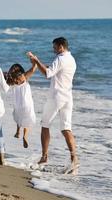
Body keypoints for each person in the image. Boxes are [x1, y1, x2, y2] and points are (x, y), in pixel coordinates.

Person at [28, 37, 79, 174]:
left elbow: (48, 74)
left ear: (61, 46)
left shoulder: (60, 59)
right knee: (66, 129)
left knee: (45, 125)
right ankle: (74, 160)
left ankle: (44, 157)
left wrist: (36, 61)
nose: (53, 50)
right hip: (68, 97)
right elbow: (54, 71)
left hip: (56, 97)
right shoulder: (71, 59)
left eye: (55, 47)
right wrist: (38, 62)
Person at [6, 60, 37, 148]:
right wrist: (33, 60)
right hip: (27, 103)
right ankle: (25, 136)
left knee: (19, 116)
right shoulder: (24, 77)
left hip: (18, 103)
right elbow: (34, 68)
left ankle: (18, 131)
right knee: (27, 120)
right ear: (22, 72)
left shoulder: (12, 81)